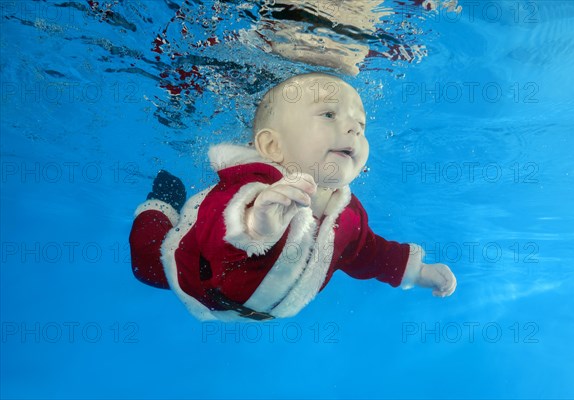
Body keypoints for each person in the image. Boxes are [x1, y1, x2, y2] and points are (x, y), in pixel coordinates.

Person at [129, 72, 457, 322]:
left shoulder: (349, 214)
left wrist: (416, 271)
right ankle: (163, 202)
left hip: (257, 309)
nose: (355, 129)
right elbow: (215, 225)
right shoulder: (249, 187)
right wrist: (253, 224)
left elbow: (365, 253)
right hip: (193, 279)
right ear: (273, 146)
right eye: (329, 114)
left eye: (361, 123)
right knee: (148, 265)